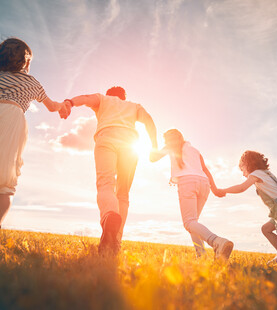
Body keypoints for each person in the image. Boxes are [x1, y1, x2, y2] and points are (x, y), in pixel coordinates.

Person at [64, 86, 158, 255]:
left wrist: (70, 102)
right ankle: (115, 241)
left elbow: (85, 98)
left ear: (110, 95)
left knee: (105, 184)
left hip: (106, 138)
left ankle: (109, 215)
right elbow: (149, 120)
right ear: (124, 97)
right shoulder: (134, 106)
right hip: (130, 145)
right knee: (123, 194)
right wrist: (154, 146)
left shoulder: (102, 99)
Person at [0, 38, 70, 228]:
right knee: (6, 184)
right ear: (26, 61)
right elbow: (51, 106)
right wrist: (63, 107)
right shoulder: (32, 83)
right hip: (12, 119)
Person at [150, 129, 234, 261]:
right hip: (204, 184)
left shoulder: (170, 146)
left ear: (169, 139)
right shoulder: (195, 150)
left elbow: (152, 158)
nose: (165, 142)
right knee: (193, 223)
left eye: (165, 139)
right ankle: (201, 256)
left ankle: (217, 241)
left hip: (187, 183)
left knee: (189, 222)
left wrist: (153, 142)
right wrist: (215, 188)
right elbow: (205, 170)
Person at [218, 150, 277, 265]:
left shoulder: (256, 174)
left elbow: (242, 188)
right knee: (266, 229)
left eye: (242, 169)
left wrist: (224, 190)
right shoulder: (267, 173)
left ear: (248, 164)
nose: (243, 174)